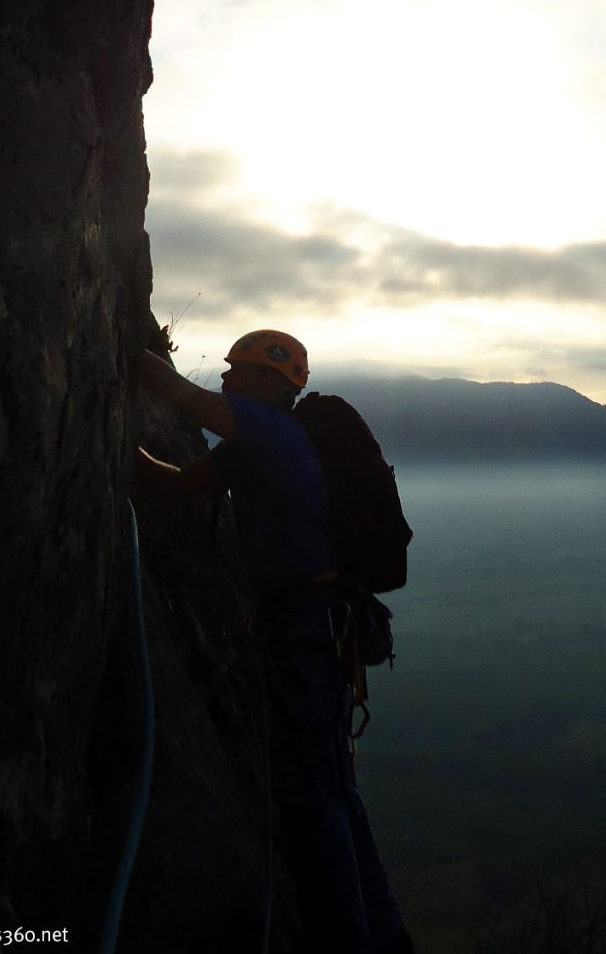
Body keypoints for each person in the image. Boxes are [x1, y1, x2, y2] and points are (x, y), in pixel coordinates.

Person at [136, 329, 413, 954]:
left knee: (315, 798)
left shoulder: (274, 434)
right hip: (321, 632)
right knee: (335, 789)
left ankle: (349, 940)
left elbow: (182, 398)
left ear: (269, 382)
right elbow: (181, 484)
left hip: (306, 634)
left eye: (238, 370)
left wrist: (119, 352)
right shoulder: (260, 446)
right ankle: (387, 931)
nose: (227, 378)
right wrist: (128, 459)